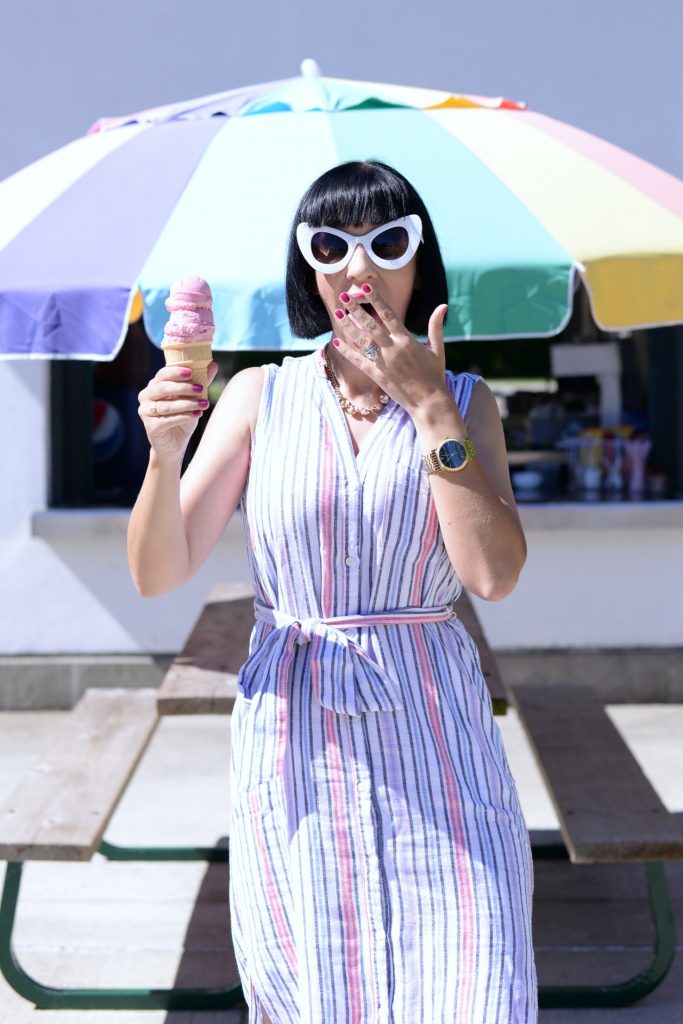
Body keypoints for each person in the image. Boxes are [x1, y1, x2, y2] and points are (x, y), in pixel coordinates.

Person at [128, 160, 537, 1024]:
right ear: (308, 270)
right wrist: (162, 454)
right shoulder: (255, 396)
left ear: (418, 261)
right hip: (296, 738)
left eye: (387, 243)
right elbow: (159, 571)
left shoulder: (467, 403)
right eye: (331, 245)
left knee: (475, 982)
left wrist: (431, 415)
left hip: (434, 734)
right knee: (318, 987)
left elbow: (492, 577)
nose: (360, 268)